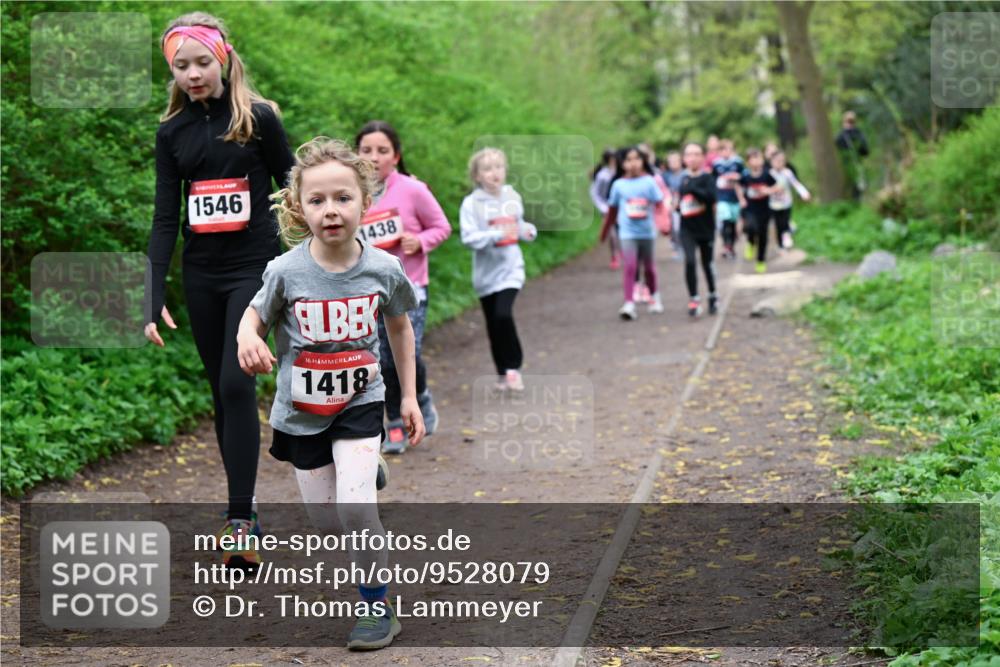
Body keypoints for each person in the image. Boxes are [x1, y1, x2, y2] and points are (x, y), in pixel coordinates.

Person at [237, 137, 424, 649]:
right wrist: (246, 336)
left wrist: (407, 397)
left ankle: (375, 607)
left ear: (366, 202)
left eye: (343, 198)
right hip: (302, 413)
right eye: (317, 200)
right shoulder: (286, 271)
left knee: (357, 509)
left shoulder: (383, 268)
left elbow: (401, 329)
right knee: (326, 522)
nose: (331, 210)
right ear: (299, 207)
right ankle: (363, 471)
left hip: (362, 404)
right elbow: (253, 317)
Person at [144, 12, 294, 565]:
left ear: (224, 58)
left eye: (202, 62)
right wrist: (152, 292)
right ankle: (246, 508)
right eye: (181, 66)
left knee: (236, 383)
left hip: (254, 267)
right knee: (221, 393)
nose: (193, 74)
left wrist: (318, 254)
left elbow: (292, 185)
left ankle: (239, 522)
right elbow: (165, 219)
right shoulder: (171, 133)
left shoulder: (258, 119)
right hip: (202, 274)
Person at [355, 121, 451, 454]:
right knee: (381, 358)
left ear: (395, 156)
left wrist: (420, 241)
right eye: (366, 150)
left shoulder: (413, 189)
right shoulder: (352, 194)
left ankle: (420, 397)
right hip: (367, 292)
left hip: (410, 288)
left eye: (382, 150)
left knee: (406, 354)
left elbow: (441, 226)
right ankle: (393, 423)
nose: (374, 157)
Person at [459, 148, 537, 391]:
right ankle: (502, 373)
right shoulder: (471, 204)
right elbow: (468, 238)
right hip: (485, 274)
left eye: (499, 167)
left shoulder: (512, 196)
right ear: (477, 176)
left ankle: (514, 367)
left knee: (503, 314)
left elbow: (519, 224)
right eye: (488, 168)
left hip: (511, 269)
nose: (495, 173)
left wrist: (527, 231)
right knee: (493, 323)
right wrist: (496, 235)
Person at [602, 146, 666, 320]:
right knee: (630, 267)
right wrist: (605, 231)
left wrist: (664, 223)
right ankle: (629, 303)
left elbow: (660, 205)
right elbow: (612, 211)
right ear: (622, 163)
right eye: (628, 160)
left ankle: (654, 296)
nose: (633, 163)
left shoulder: (649, 182)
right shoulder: (618, 185)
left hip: (647, 233)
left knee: (650, 269)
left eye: (637, 159)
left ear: (643, 161)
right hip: (627, 233)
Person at [677, 142, 718, 317]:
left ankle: (712, 294)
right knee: (690, 261)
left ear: (702, 157)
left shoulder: (708, 178)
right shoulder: (682, 179)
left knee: (707, 264)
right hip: (687, 229)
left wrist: (693, 189)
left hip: (706, 228)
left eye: (696, 154)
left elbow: (711, 198)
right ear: (684, 158)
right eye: (689, 154)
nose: (692, 158)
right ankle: (694, 298)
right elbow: (681, 202)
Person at [740, 148, 777, 273]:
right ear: (748, 161)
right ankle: (750, 242)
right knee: (750, 227)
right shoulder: (745, 175)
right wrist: (741, 199)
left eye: (758, 158)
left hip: (764, 210)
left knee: (762, 235)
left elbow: (777, 186)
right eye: (753, 158)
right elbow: (738, 186)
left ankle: (761, 260)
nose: (756, 161)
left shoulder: (767, 174)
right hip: (750, 208)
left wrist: (768, 191)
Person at [768, 150, 811, 250]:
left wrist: (804, 193)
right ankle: (780, 244)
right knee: (778, 224)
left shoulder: (787, 173)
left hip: (786, 203)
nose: (779, 163)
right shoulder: (769, 174)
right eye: (777, 161)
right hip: (774, 204)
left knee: (785, 221)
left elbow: (796, 184)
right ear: (772, 162)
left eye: (782, 161)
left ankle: (786, 236)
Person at [711, 139, 745, 259]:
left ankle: (731, 246)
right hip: (722, 197)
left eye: (729, 149)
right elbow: (713, 181)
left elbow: (744, 179)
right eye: (723, 149)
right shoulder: (716, 164)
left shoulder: (738, 163)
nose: (726, 152)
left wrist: (737, 178)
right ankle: (726, 245)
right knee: (725, 221)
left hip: (735, 197)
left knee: (733, 223)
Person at [590, 148, 620, 269]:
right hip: (608, 209)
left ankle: (625, 253)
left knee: (622, 232)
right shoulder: (603, 175)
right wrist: (603, 208)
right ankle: (614, 256)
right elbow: (596, 193)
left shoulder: (621, 172)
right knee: (612, 234)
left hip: (622, 208)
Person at [835, 110, 870, 200]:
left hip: (845, 167)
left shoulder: (841, 136)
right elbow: (865, 151)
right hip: (857, 165)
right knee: (858, 190)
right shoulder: (859, 134)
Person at [662, 151, 685, 260]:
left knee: (681, 228)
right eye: (671, 161)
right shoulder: (666, 175)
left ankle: (683, 249)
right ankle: (677, 248)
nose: (673, 163)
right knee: (674, 229)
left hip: (684, 206)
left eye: (675, 160)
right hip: (671, 206)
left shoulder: (685, 174)